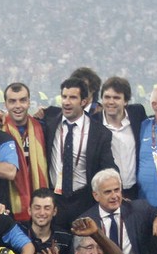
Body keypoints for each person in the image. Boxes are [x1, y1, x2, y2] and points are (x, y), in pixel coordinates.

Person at [42, 78, 117, 228]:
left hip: (84, 200)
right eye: (64, 97)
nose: (66, 102)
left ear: (84, 101)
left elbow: (107, 167)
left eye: (73, 97)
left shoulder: (100, 133)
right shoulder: (48, 124)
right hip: (55, 200)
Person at [0, 82, 50, 222]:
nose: (18, 106)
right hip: (9, 204)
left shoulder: (43, 128)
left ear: (29, 102)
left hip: (40, 203)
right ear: (5, 105)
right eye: (12, 101)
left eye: (22, 100)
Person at [95, 76, 146, 199]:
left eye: (116, 98)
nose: (111, 102)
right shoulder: (93, 123)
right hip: (108, 194)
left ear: (126, 101)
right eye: (107, 97)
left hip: (136, 191)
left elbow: (156, 120)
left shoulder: (137, 114)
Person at [19, 188, 72, 254]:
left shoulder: (65, 238)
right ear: (29, 210)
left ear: (54, 211)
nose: (42, 213)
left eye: (47, 208)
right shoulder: (18, 231)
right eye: (37, 208)